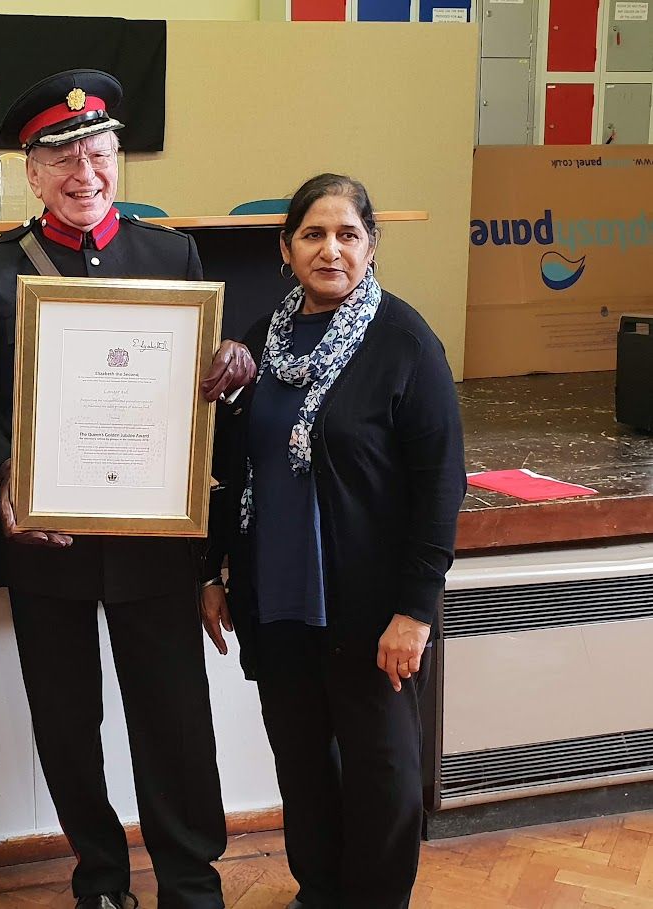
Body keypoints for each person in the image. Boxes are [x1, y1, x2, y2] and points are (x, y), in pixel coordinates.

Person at [0, 69, 254, 909]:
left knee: (175, 720)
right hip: (49, 540)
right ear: (31, 171)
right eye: (61, 156)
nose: (84, 170)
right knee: (67, 723)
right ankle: (100, 880)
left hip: (155, 536)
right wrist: (2, 468)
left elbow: (195, 389)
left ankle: (191, 882)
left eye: (98, 150)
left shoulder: (173, 254)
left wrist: (227, 371)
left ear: (117, 157)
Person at [199, 173, 467, 909]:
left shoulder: (406, 342)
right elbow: (232, 463)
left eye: (348, 234)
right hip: (278, 600)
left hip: (371, 608)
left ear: (372, 246)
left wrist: (416, 610)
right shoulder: (260, 341)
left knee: (382, 773)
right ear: (286, 249)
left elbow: (442, 482)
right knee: (303, 763)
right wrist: (212, 571)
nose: (331, 249)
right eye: (314, 234)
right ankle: (318, 890)